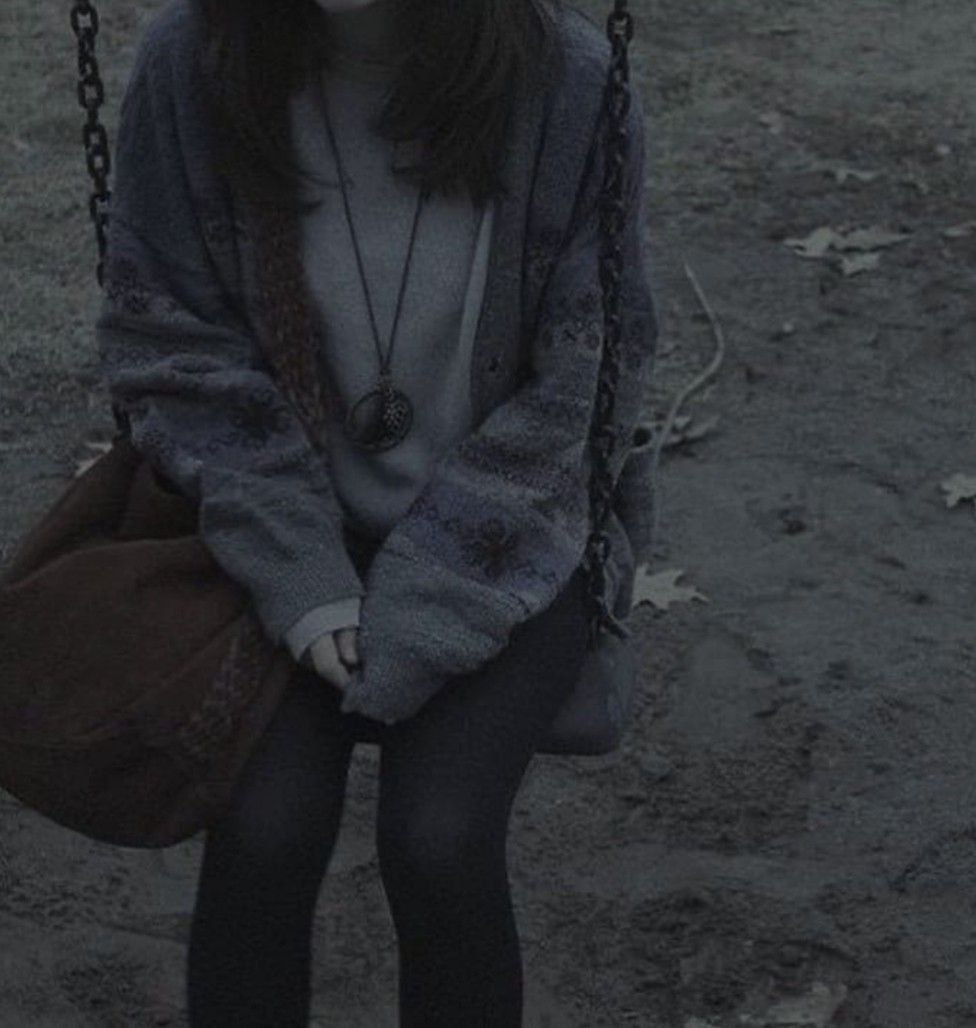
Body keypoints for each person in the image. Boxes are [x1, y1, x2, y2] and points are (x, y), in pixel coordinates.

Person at [95, 0, 657, 1023]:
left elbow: (585, 391)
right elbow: (174, 347)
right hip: (277, 522)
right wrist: (302, 576)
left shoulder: (568, 85)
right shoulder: (198, 62)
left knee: (439, 839)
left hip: (516, 529)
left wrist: (433, 595)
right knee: (263, 831)